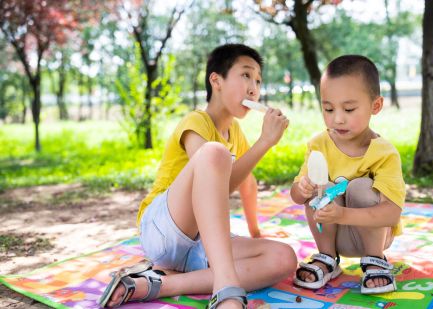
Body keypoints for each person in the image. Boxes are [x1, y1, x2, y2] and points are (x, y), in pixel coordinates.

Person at [99, 43, 297, 308]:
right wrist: (264, 143)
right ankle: (226, 289)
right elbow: (214, 179)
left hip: (199, 242)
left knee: (283, 258)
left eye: (259, 81)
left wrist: (256, 231)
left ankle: (155, 285)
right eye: (246, 75)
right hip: (163, 229)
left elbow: (247, 183)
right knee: (215, 154)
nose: (254, 88)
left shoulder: (235, 132)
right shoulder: (196, 122)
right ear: (216, 80)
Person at [291, 55, 405, 294]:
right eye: (328, 108)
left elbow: (392, 213)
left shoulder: (384, 153)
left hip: (370, 236)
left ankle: (375, 261)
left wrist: (342, 214)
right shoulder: (318, 145)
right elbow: (297, 197)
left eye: (349, 109)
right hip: (330, 234)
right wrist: (302, 189)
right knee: (321, 186)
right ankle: (328, 259)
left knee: (361, 187)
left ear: (375, 106)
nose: (337, 118)